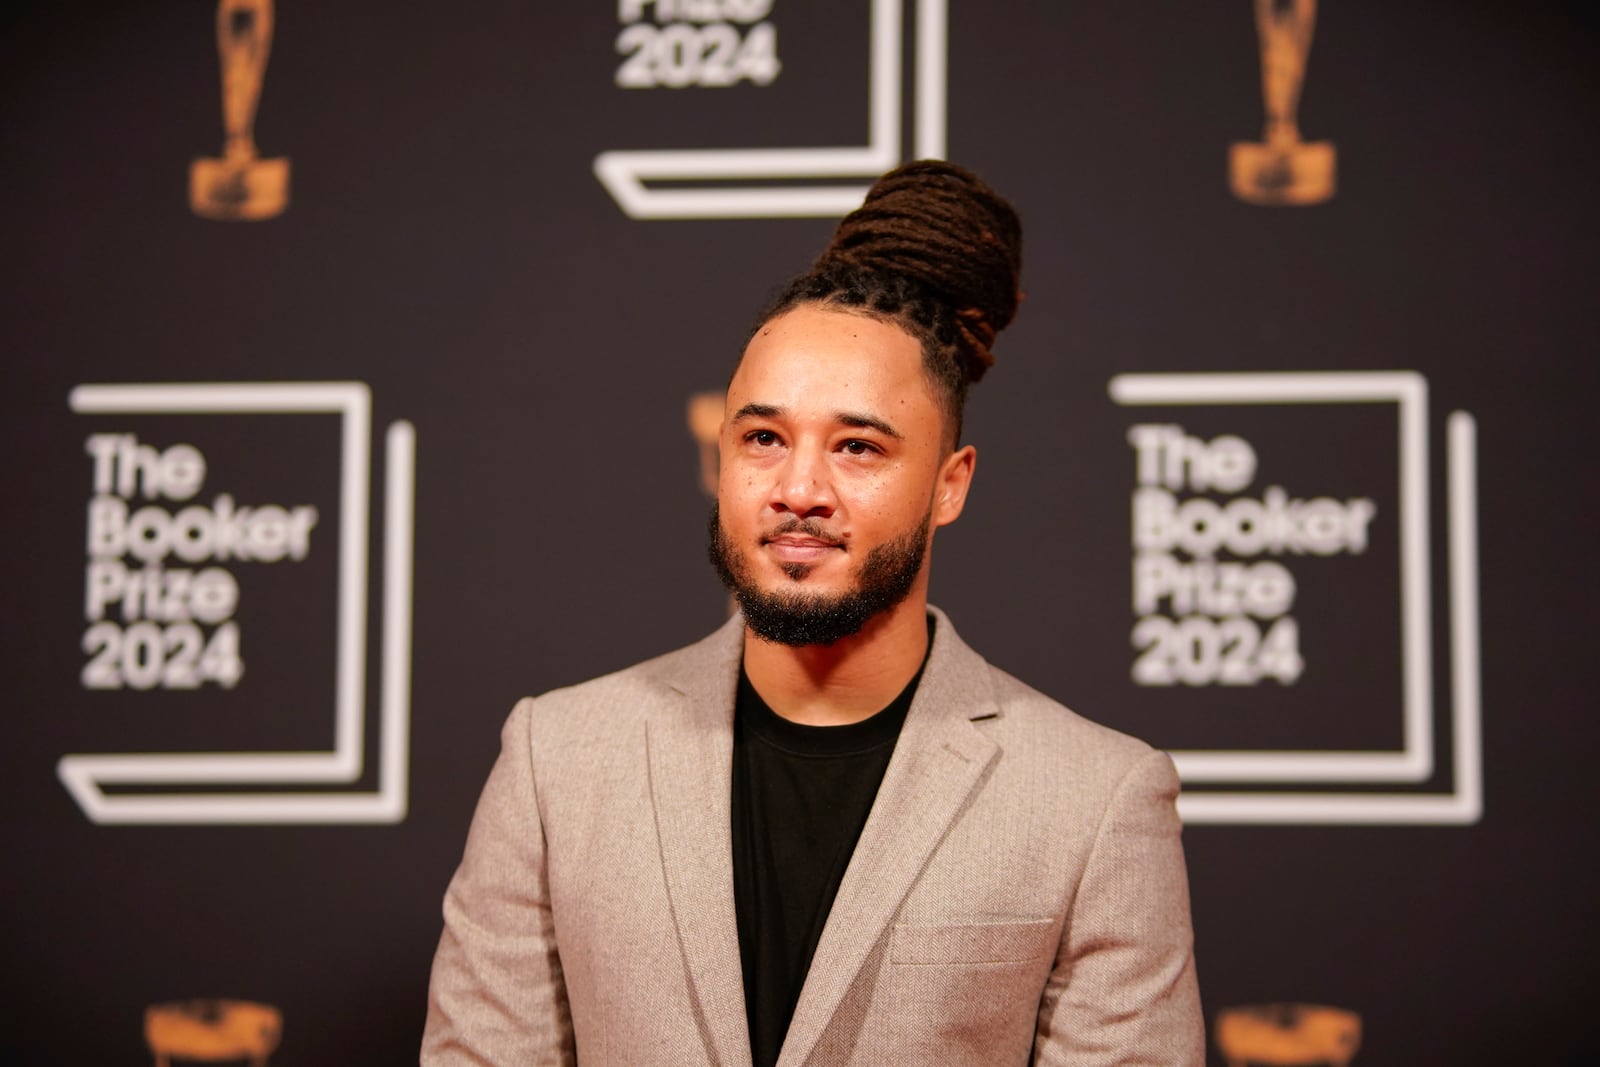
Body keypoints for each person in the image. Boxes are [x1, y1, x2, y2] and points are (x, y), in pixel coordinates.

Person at [422, 161, 1203, 1065]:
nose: (799, 489)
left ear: (951, 485)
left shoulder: (1095, 799)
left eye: (858, 446)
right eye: (763, 438)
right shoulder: (556, 761)